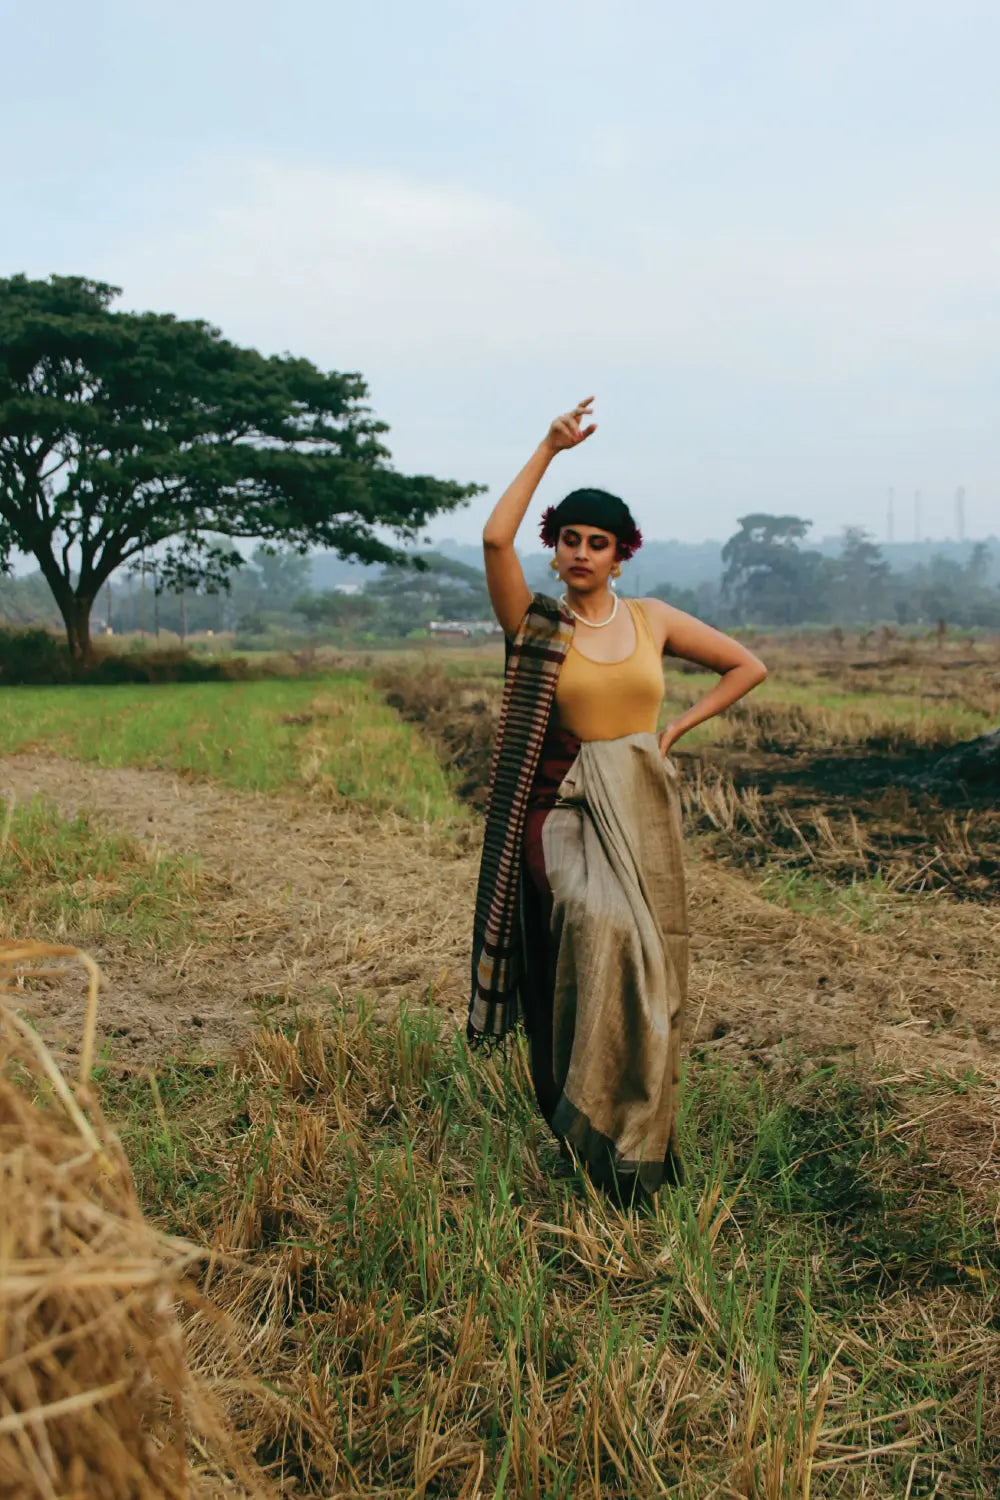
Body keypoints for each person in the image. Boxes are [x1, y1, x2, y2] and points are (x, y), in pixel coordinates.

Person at [468, 397, 767, 1204]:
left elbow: (746, 667)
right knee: (599, 927)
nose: (581, 553)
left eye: (598, 543)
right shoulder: (533, 621)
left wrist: (673, 733)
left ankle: (634, 1143)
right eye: (569, 539)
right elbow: (495, 538)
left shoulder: (652, 619)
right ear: (556, 547)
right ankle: (586, 1110)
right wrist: (547, 447)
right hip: (559, 808)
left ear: (620, 556)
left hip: (638, 804)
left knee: (651, 962)